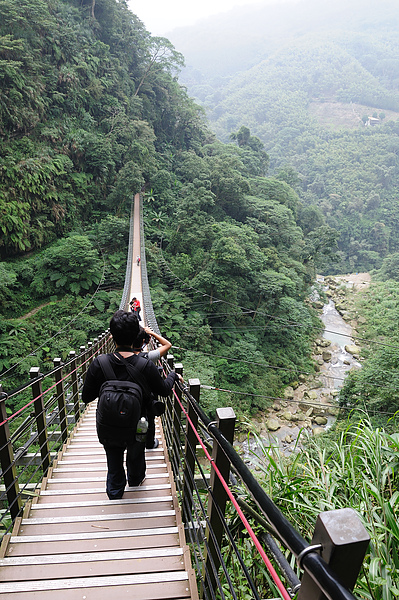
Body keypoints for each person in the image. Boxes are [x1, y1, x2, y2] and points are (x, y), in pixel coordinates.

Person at [81, 310, 181, 500]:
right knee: (136, 454)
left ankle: (115, 491)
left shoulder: (99, 363)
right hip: (137, 424)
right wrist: (173, 375)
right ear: (137, 334)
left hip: (108, 425)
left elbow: (86, 398)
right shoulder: (145, 364)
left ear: (111, 335)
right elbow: (164, 391)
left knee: (113, 457)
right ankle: (135, 479)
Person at [132, 326, 173, 449]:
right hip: (146, 398)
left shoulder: (119, 357)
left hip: (129, 400)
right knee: (149, 418)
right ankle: (149, 443)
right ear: (144, 341)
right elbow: (167, 345)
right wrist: (152, 333)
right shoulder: (148, 357)